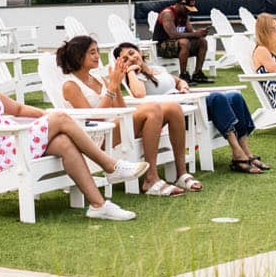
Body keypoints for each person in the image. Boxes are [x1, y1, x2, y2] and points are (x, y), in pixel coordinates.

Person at [0, 34, 144, 221]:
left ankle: (99, 206)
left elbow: (18, 109)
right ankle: (110, 166)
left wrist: (46, 116)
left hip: (10, 143)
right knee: (60, 117)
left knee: (64, 142)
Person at [58, 35, 202, 195]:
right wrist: (112, 88)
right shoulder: (70, 85)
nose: (97, 56)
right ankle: (151, 178)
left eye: (97, 51)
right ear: (78, 56)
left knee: (173, 108)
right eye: (92, 53)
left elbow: (121, 108)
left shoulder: (98, 79)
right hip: (96, 136)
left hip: (114, 127)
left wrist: (116, 86)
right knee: (152, 109)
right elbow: (94, 117)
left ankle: (181, 173)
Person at [112, 43, 268, 174]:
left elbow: (178, 81)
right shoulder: (136, 78)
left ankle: (246, 152)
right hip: (180, 113)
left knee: (235, 97)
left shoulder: (157, 69)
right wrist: (130, 71)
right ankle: (237, 153)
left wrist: (183, 87)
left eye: (132, 53)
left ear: (139, 52)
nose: (131, 58)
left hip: (189, 101)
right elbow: (139, 94)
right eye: (125, 59)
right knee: (217, 98)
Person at [153, 0, 212, 85]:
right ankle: (183, 75)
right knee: (184, 42)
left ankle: (198, 73)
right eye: (187, 8)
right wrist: (195, 34)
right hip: (161, 46)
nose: (188, 11)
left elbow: (191, 32)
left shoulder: (184, 15)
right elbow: (173, 35)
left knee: (202, 41)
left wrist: (200, 33)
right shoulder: (168, 14)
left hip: (177, 45)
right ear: (180, 5)